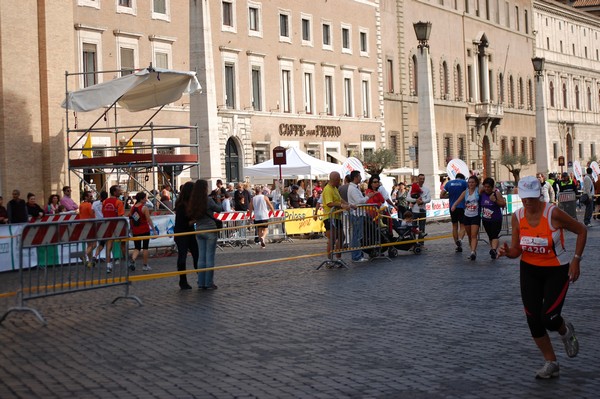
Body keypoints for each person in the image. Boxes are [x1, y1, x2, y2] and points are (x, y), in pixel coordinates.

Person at [498, 175, 586, 379]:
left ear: (539, 195)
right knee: (533, 320)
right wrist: (507, 252)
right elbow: (516, 250)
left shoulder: (553, 213)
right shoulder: (518, 216)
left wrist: (576, 260)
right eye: (524, 198)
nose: (528, 202)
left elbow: (581, 230)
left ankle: (565, 331)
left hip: (557, 269)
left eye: (531, 198)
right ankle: (551, 362)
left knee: (549, 317)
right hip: (529, 270)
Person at [188, 179, 223, 290]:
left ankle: (201, 282)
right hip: (210, 229)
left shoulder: (193, 201)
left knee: (201, 258)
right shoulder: (208, 200)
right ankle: (209, 283)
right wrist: (217, 199)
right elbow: (219, 209)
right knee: (209, 257)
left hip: (198, 229)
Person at [347, 170, 374, 262]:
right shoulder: (353, 189)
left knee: (358, 235)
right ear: (355, 177)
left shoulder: (355, 188)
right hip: (356, 215)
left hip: (358, 214)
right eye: (359, 176)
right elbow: (359, 201)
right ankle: (356, 256)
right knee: (357, 236)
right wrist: (368, 197)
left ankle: (358, 254)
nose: (361, 178)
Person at [451, 175, 481, 261]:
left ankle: (473, 252)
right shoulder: (466, 192)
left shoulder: (478, 191)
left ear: (476, 183)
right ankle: (472, 251)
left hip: (475, 216)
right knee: (469, 236)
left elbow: (486, 189)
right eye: (469, 182)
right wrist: (454, 206)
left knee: (474, 235)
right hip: (467, 216)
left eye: (472, 182)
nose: (471, 184)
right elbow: (459, 199)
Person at [321, 171, 349, 261]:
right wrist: (341, 205)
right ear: (335, 179)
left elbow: (340, 199)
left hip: (337, 217)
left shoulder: (335, 188)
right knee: (332, 238)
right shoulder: (328, 189)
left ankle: (338, 258)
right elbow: (329, 203)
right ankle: (330, 259)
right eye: (339, 179)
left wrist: (349, 204)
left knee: (341, 236)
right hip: (329, 217)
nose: (340, 181)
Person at [480, 177, 506, 260]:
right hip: (486, 219)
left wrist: (495, 200)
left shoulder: (496, 193)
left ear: (492, 187)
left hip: (496, 219)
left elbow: (503, 204)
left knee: (495, 235)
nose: (487, 188)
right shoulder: (482, 193)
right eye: (485, 187)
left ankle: (494, 249)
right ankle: (493, 252)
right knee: (490, 236)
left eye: (488, 187)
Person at [128, 192, 155, 272]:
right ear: (141, 199)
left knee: (137, 247)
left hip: (136, 230)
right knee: (145, 247)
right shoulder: (144, 208)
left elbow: (131, 218)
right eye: (145, 198)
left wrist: (131, 229)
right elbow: (148, 219)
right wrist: (153, 229)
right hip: (144, 229)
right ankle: (145, 265)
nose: (146, 200)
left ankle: (133, 260)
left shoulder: (133, 208)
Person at [441, 173, 468, 252]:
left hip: (452, 207)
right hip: (461, 207)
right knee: (463, 226)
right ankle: (460, 239)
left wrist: (449, 196)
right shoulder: (464, 183)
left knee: (454, 226)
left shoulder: (448, 183)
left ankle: (457, 244)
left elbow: (441, 195)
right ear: (462, 178)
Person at [102, 185, 125, 273]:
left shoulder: (104, 202)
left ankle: (108, 265)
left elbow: (103, 212)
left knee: (109, 245)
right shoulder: (118, 202)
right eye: (119, 191)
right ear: (115, 192)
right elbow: (120, 215)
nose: (121, 192)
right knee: (123, 244)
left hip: (108, 225)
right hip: (117, 225)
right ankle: (126, 262)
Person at [406, 174, 431, 239]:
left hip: (422, 210)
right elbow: (407, 198)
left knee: (422, 228)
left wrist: (423, 201)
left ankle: (421, 244)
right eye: (420, 179)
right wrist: (415, 200)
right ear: (418, 179)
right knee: (413, 227)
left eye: (423, 179)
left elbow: (429, 199)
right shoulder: (413, 187)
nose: (422, 180)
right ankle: (413, 244)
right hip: (414, 211)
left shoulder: (426, 189)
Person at [78, 191, 96, 266]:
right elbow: (92, 216)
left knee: (89, 245)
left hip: (83, 226)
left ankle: (90, 262)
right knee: (94, 245)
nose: (91, 198)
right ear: (86, 197)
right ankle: (84, 255)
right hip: (90, 225)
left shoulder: (81, 205)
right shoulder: (89, 205)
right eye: (90, 196)